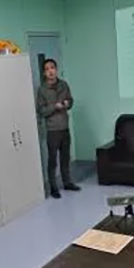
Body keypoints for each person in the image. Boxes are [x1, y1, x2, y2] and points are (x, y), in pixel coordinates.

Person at [36, 59, 80, 199]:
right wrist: (54, 106)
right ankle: (53, 187)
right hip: (53, 130)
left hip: (64, 127)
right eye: (47, 69)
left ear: (56, 69)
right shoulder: (42, 89)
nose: (50, 71)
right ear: (44, 73)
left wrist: (68, 103)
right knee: (52, 160)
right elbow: (41, 110)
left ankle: (67, 182)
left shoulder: (63, 85)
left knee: (65, 158)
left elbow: (71, 101)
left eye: (52, 68)